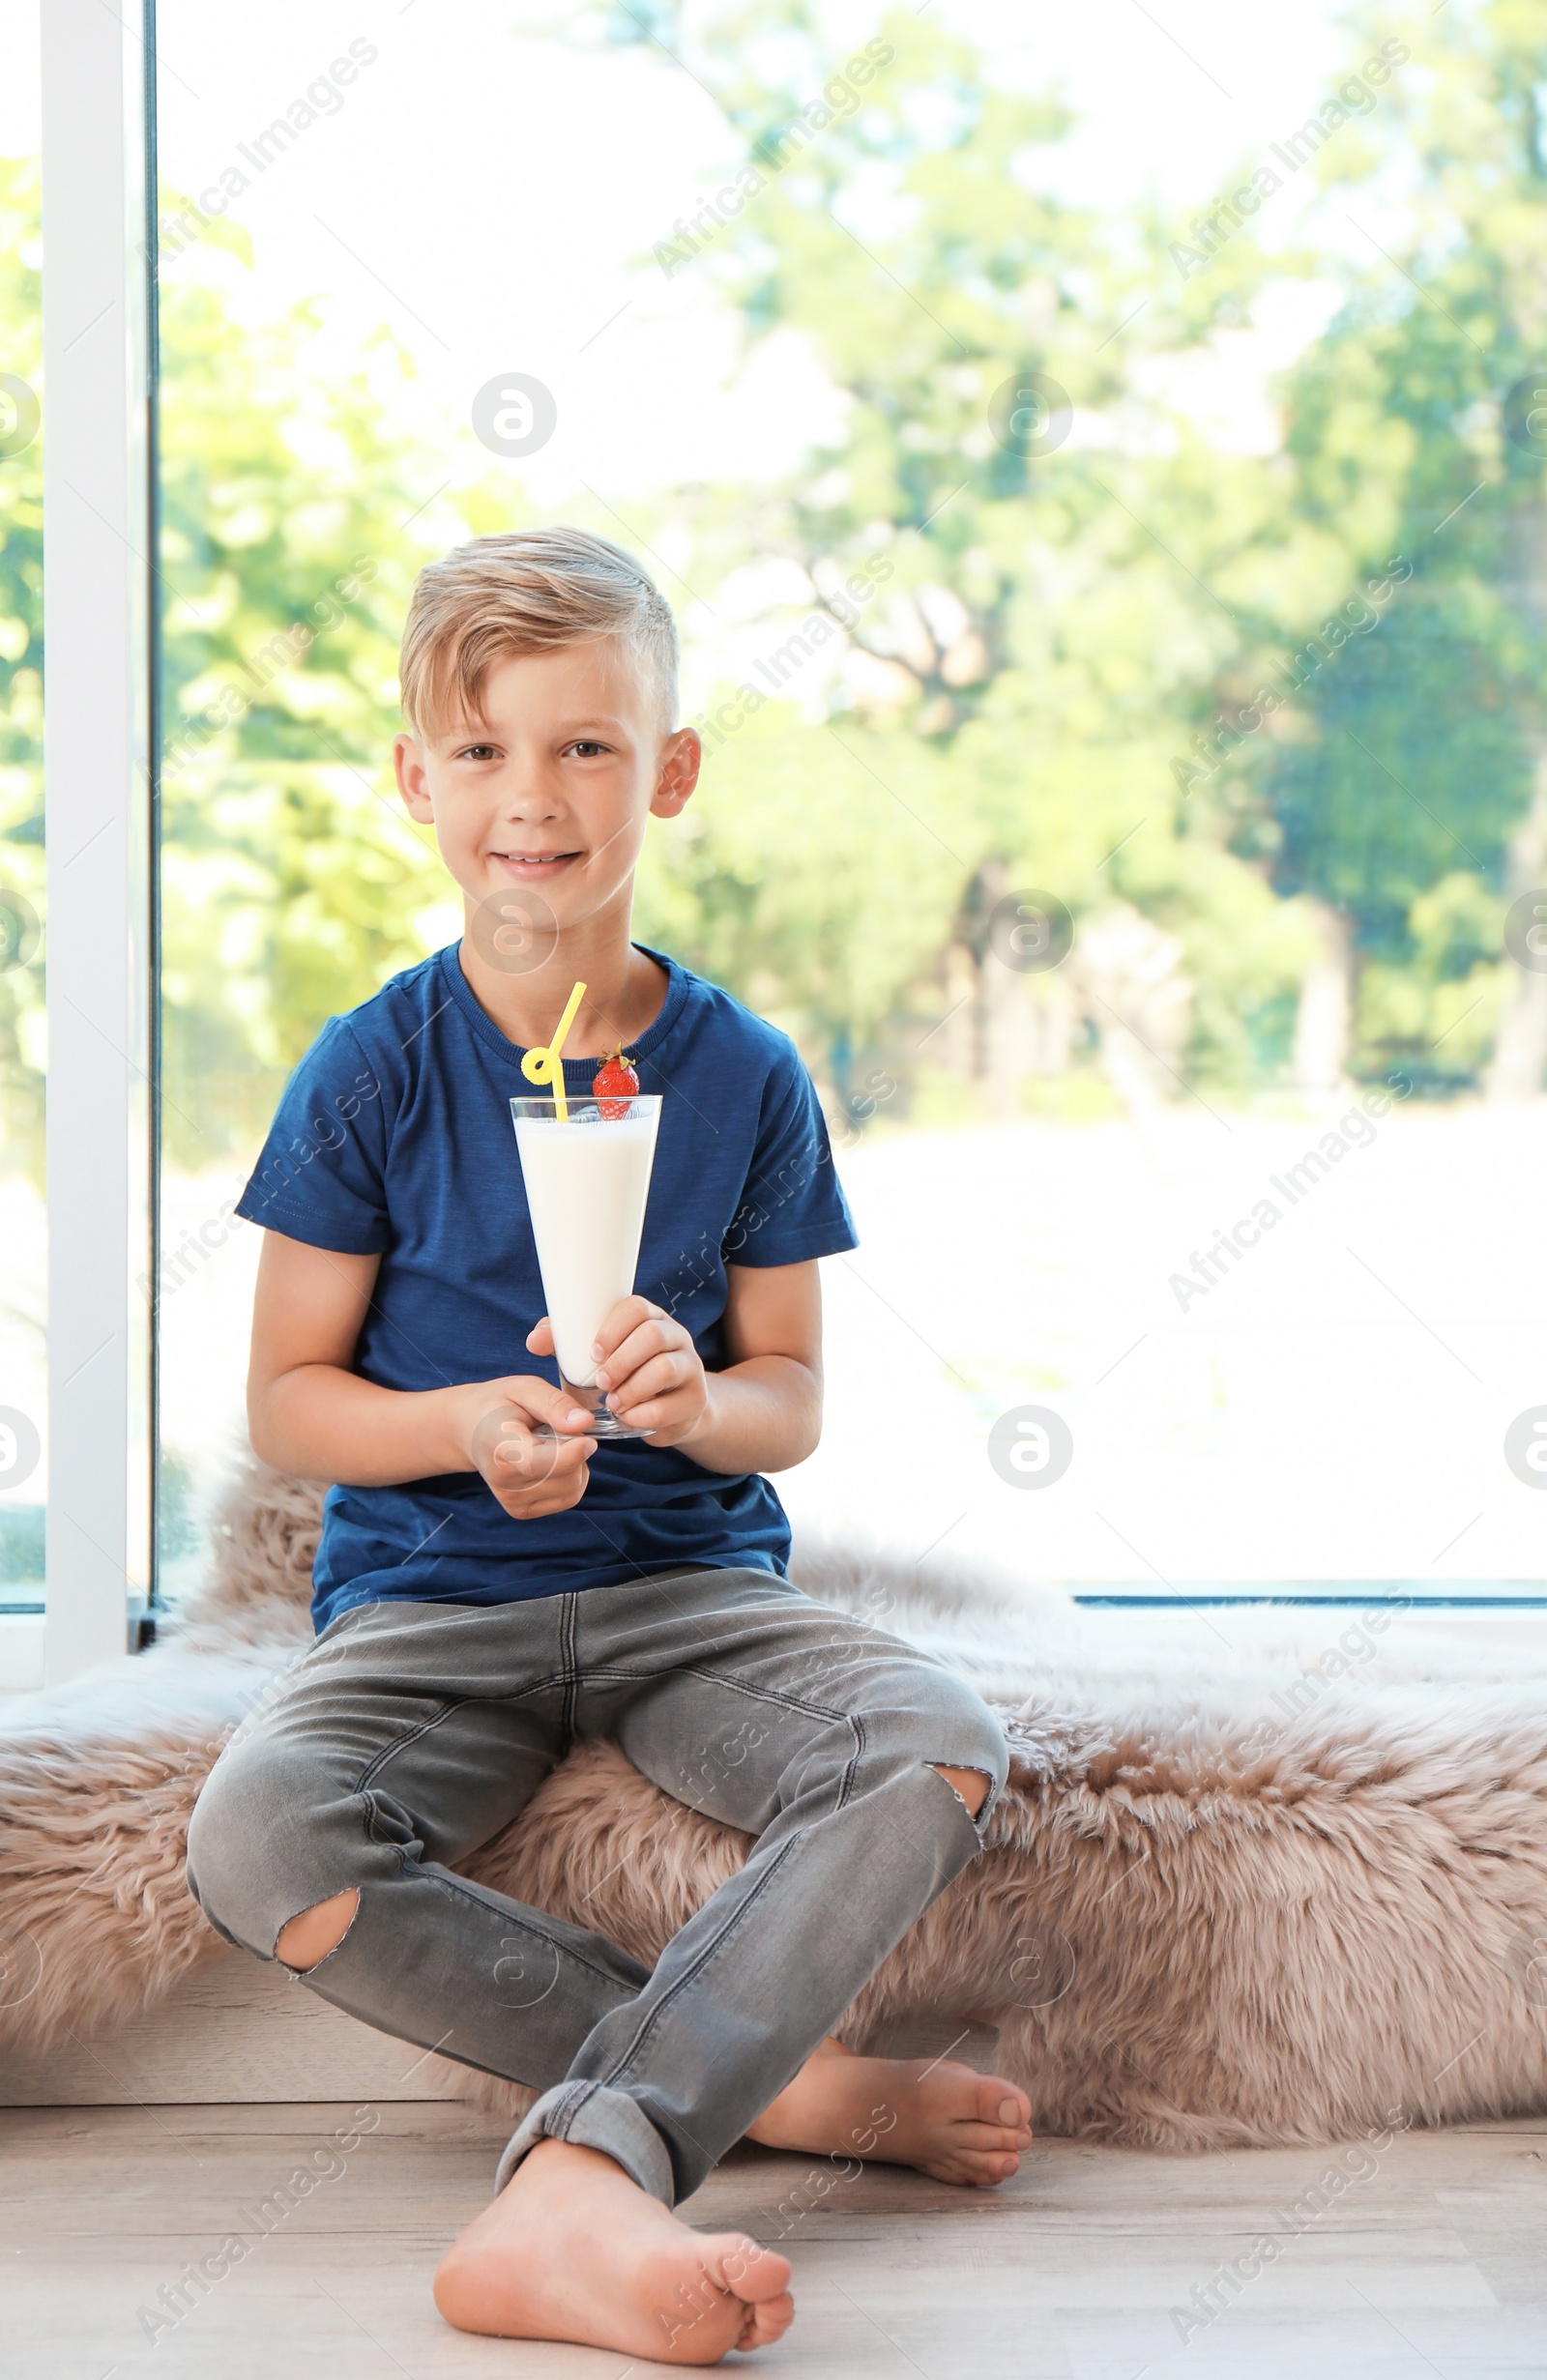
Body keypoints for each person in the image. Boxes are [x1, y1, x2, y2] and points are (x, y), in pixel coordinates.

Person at [185, 526, 1029, 2364]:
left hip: (684, 1592)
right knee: (259, 1832)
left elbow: (790, 1388)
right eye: (483, 751)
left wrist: (697, 1399)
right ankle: (756, 2084)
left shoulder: (743, 1075)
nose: (534, 800)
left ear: (670, 770)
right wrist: (460, 1426)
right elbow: (287, 1398)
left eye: (585, 747)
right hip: (432, 1604)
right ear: (417, 781)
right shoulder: (373, 1069)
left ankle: (595, 2156)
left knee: (937, 1743)